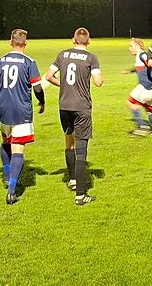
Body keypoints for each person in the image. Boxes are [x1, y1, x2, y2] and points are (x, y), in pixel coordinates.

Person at [0, 29, 45, 205]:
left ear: (10, 42)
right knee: (18, 148)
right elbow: (37, 88)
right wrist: (42, 102)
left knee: (5, 141)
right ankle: (11, 190)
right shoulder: (29, 63)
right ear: (26, 43)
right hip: (21, 111)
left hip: (2, 110)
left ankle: (7, 175)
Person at [44, 27, 103, 205]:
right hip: (82, 107)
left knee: (69, 143)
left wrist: (63, 85)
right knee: (81, 150)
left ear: (73, 40)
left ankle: (72, 179)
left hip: (64, 105)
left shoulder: (63, 54)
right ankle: (80, 195)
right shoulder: (91, 57)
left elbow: (49, 76)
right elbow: (98, 82)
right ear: (89, 41)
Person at [123, 38, 152, 136]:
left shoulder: (142, 55)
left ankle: (142, 125)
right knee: (149, 109)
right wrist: (130, 71)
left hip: (147, 87)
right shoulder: (139, 56)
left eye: (131, 46)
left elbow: (151, 62)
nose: (129, 48)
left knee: (130, 102)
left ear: (137, 46)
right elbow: (141, 66)